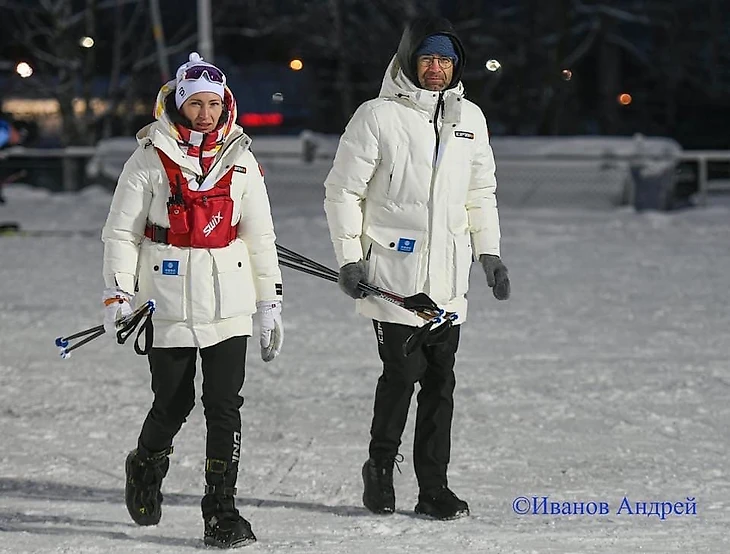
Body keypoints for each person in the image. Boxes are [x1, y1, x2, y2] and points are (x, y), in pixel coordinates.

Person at [324, 17, 510, 521]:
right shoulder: (377, 116)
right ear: (409, 61)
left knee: (441, 384)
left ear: (456, 65)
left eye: (445, 59)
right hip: (393, 279)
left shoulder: (470, 117)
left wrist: (488, 253)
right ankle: (380, 467)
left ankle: (434, 488)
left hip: (449, 283)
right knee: (401, 375)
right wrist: (348, 258)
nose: (436, 68)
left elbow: (480, 193)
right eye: (427, 58)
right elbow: (343, 191)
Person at [101, 52, 284, 548]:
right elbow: (122, 232)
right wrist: (118, 291)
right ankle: (145, 462)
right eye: (195, 103)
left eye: (213, 103)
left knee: (225, 406)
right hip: (169, 302)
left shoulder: (242, 160)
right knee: (174, 402)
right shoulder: (148, 158)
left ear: (226, 104)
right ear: (178, 104)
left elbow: (260, 237)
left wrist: (269, 302)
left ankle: (220, 511)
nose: (205, 113)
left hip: (230, 303)